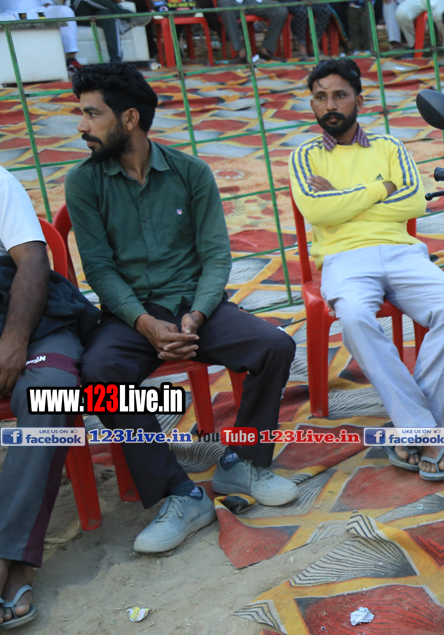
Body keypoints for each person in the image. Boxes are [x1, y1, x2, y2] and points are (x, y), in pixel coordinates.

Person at [65, 64, 299, 554]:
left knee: (274, 345)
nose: (82, 126)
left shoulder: (191, 173)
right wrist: (145, 322)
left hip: (197, 306)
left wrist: (197, 314)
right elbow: (99, 269)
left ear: (130, 118)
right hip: (130, 314)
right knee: (101, 374)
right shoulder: (84, 182)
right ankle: (180, 493)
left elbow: (216, 256)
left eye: (92, 114)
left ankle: (242, 463)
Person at [289, 59, 444, 481]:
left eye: (339, 95)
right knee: (354, 317)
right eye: (320, 97)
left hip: (402, 252)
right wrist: (380, 188)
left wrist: (343, 198)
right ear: (312, 104)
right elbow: (318, 210)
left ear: (359, 100)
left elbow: (414, 202)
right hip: (344, 259)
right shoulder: (304, 156)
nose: (330, 105)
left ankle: (411, 430)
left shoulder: (390, 147)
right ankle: (425, 433)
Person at [0, 166, 99, 630]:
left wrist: (14, 339)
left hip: (32, 322)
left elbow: (33, 261)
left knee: (51, 393)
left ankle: (11, 556)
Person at [0, 0, 81, 74]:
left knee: (65, 11)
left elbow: (46, 3)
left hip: (38, 12)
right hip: (11, 15)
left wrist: (48, 5)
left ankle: (71, 60)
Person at [70, 0, 151, 64]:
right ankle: (128, 16)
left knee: (108, 15)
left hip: (99, 10)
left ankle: (116, 60)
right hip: (78, 10)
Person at [219, 0, 287, 62]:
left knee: (280, 10)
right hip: (232, 2)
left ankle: (266, 50)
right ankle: (240, 52)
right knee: (225, 6)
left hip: (256, 2)